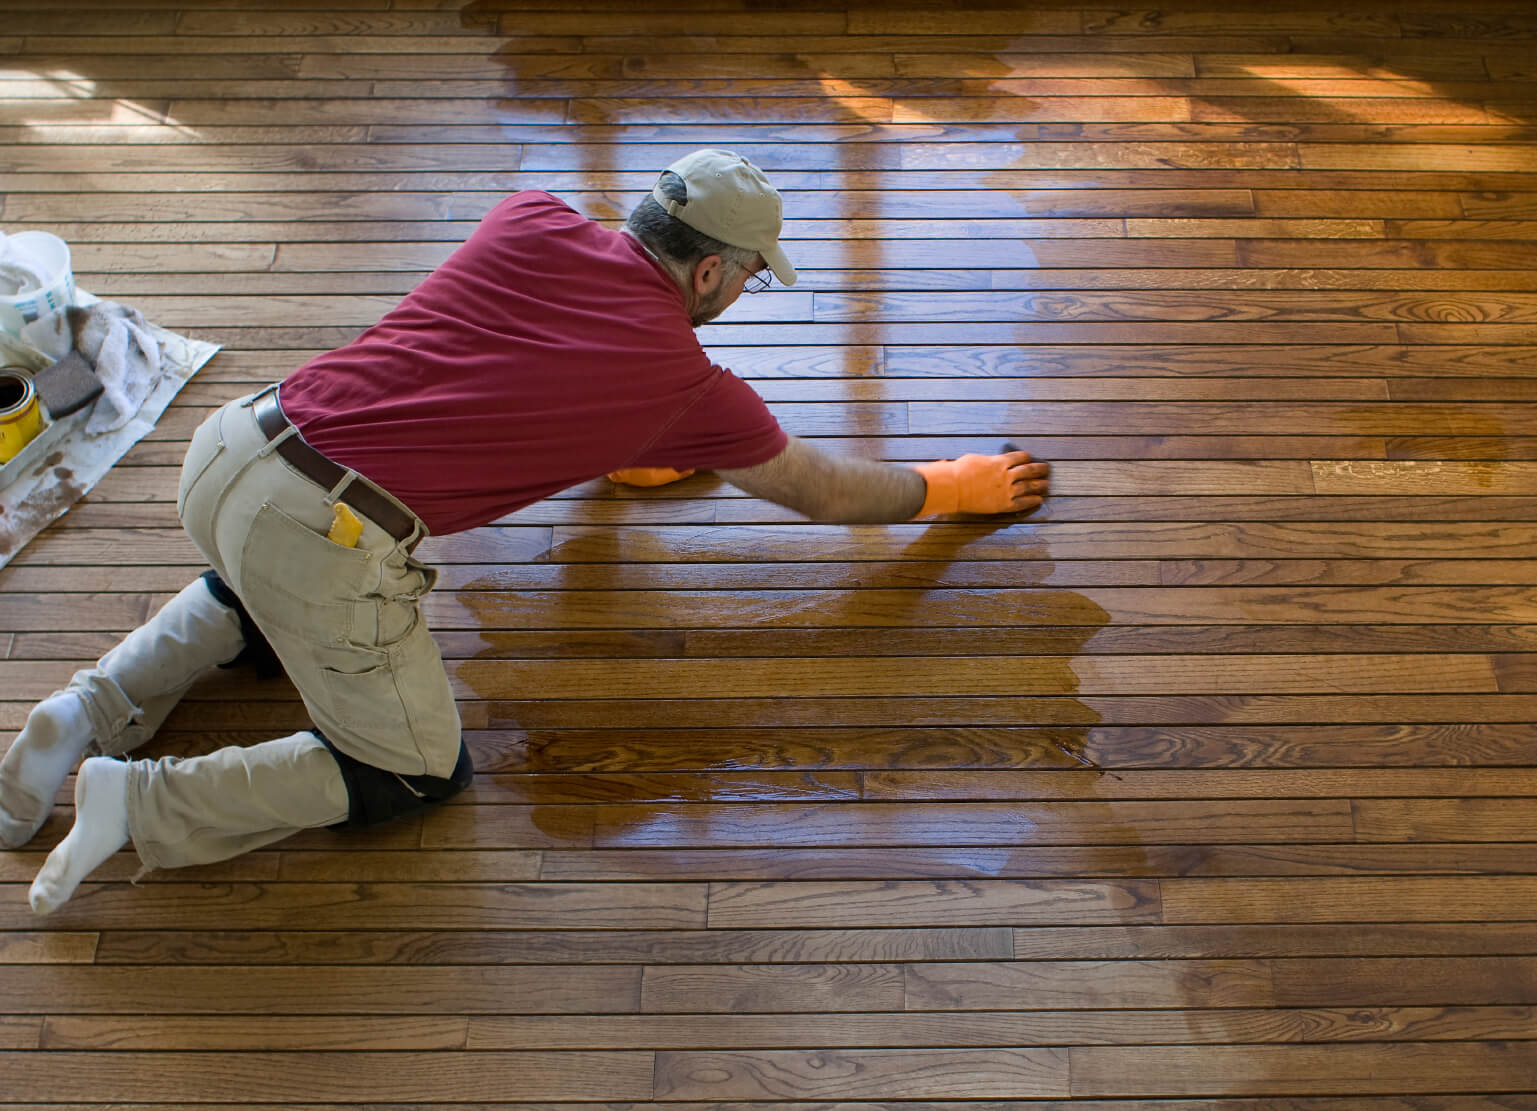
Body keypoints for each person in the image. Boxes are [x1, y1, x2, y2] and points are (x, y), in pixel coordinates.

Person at [0, 149, 1050, 915]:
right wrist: (949, 487)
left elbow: (512, 363)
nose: (742, 293)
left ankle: (83, 706)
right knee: (410, 771)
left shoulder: (527, 218)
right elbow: (822, 493)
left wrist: (629, 444)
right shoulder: (686, 381)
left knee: (257, 593)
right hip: (322, 531)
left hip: (233, 447)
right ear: (710, 274)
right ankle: (136, 798)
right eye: (748, 276)